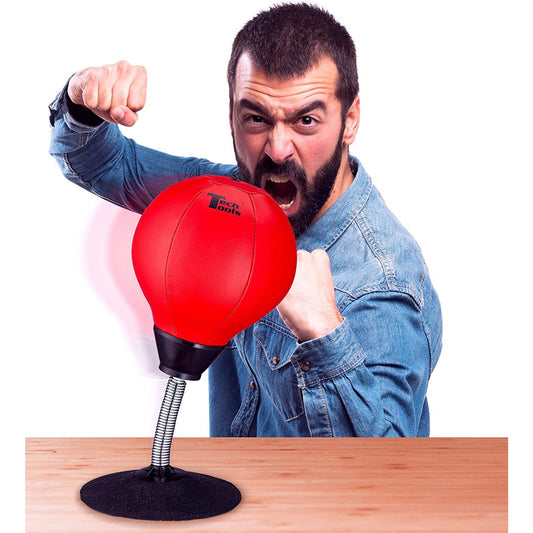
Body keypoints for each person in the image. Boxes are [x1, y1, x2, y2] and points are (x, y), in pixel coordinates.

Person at [49, 3, 442, 437]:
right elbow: (103, 165)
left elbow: (384, 481)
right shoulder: (230, 200)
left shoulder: (382, 282)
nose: (277, 149)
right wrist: (82, 100)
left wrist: (325, 333)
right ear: (231, 115)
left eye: (306, 121)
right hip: (236, 496)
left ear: (349, 121)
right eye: (256, 118)